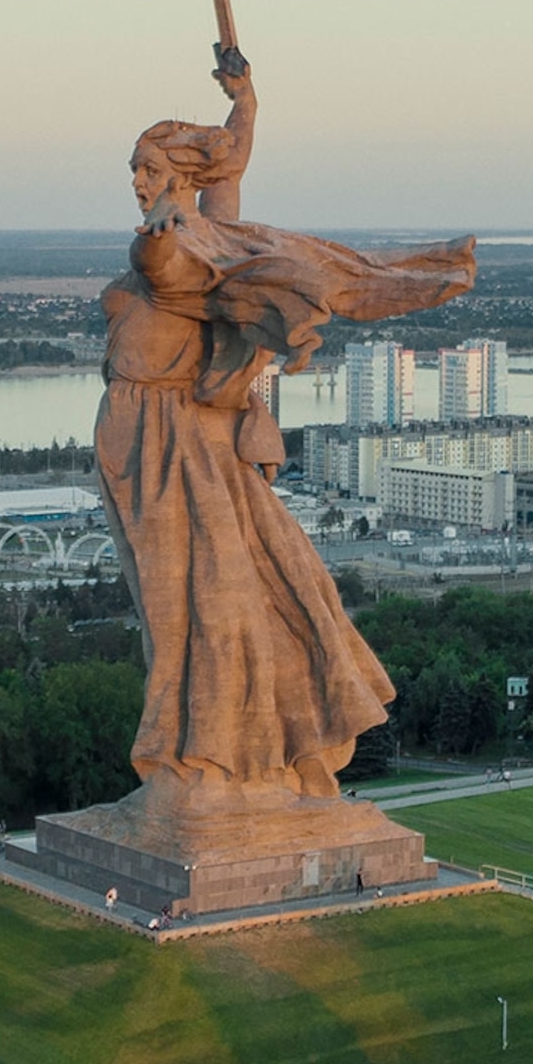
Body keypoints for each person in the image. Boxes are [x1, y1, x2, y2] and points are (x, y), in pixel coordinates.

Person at [94, 53, 474, 810]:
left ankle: (226, 760)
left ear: (178, 177)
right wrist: (245, 101)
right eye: (133, 168)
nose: (135, 181)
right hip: (147, 445)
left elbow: (162, 257)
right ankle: (206, 760)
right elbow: (229, 172)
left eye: (147, 168)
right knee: (181, 612)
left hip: (181, 445)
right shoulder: (213, 233)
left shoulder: (181, 246)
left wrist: (163, 231)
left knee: (227, 597)